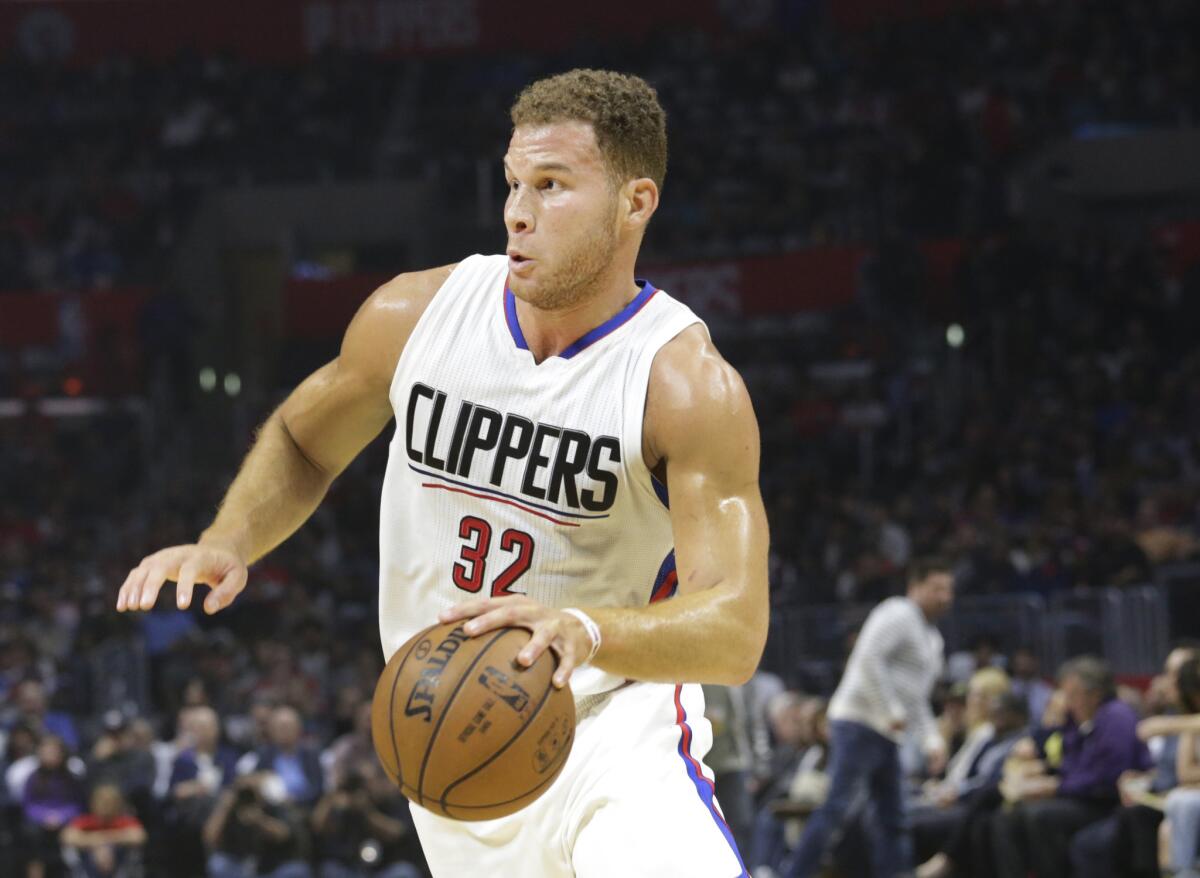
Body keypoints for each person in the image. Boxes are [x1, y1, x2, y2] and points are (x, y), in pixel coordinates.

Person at [115, 68, 769, 877]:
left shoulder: (682, 385)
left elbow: (735, 628)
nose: (518, 213)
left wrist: (589, 628)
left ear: (635, 203)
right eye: (513, 183)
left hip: (610, 730)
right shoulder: (416, 316)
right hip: (449, 734)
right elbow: (303, 440)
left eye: (553, 186)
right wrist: (229, 539)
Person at [784, 557, 955, 878]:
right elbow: (866, 660)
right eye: (937, 588)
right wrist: (890, 711)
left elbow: (916, 699)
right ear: (915, 587)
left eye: (949, 589)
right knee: (837, 809)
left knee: (893, 817)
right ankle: (794, 874)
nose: (945, 596)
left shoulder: (933, 639)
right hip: (858, 724)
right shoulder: (898, 613)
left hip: (887, 732)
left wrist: (931, 739)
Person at [991, 655, 1151, 878]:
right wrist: (1047, 777)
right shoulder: (1079, 720)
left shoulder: (1116, 716)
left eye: (1072, 694)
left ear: (1094, 694)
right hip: (1080, 796)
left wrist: (1056, 787)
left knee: (1038, 816)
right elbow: (1070, 763)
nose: (1066, 702)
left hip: (1107, 803)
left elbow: (1107, 777)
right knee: (1006, 817)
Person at [60, 783, 147, 878]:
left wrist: (105, 843)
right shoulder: (86, 821)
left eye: (109, 802)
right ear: (94, 803)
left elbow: (139, 836)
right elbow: (67, 837)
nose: (105, 806)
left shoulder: (124, 821)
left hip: (119, 866)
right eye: (102, 802)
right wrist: (97, 846)